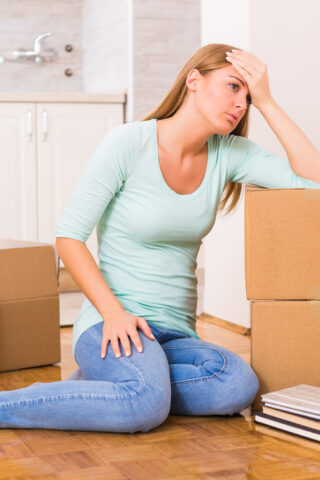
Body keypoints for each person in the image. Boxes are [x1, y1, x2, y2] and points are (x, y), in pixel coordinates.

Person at [1, 43, 319, 433]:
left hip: (176, 334)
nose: (241, 104)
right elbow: (69, 238)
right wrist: (114, 314)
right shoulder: (129, 143)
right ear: (194, 81)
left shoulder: (231, 153)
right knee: (144, 407)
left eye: (248, 98)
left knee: (238, 385)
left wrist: (268, 101)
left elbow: (313, 184)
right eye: (234, 86)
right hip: (114, 323)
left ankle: (116, 389)